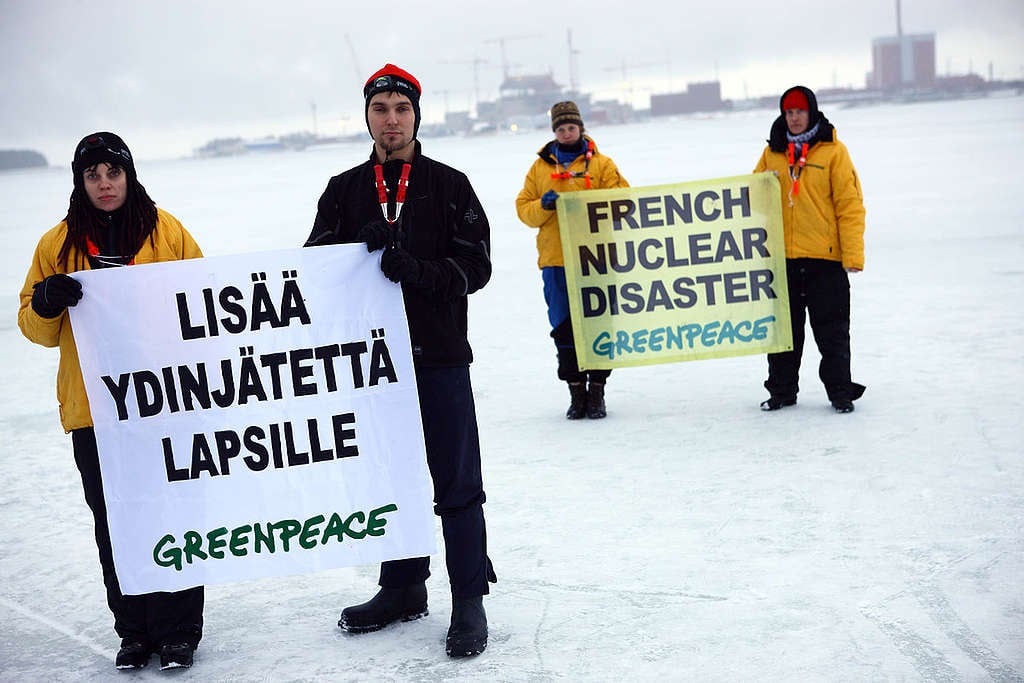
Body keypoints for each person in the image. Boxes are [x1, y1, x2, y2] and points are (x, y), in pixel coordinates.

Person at [305, 64, 496, 658]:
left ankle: (469, 599)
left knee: (457, 482)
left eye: (401, 110)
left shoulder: (450, 185)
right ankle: (403, 586)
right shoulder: (343, 189)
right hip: (372, 364)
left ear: (417, 116)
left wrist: (420, 271)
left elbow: (478, 268)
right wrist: (347, 250)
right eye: (381, 109)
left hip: (439, 356)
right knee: (390, 478)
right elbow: (313, 268)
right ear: (366, 116)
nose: (391, 120)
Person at [17, 133, 206, 670]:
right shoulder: (55, 245)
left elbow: (206, 300)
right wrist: (48, 302)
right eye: (93, 174)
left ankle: (178, 631)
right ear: (80, 182)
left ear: (130, 176)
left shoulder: (166, 231)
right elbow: (34, 327)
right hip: (94, 412)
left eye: (113, 173)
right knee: (114, 523)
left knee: (171, 517)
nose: (104, 184)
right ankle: (134, 631)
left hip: (165, 405)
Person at [754, 85, 867, 413]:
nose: (794, 118)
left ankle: (840, 392)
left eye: (800, 111)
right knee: (783, 336)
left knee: (832, 333)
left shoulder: (834, 152)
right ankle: (782, 391)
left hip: (825, 260)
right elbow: (752, 197)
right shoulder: (771, 154)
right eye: (788, 112)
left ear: (812, 112)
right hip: (783, 260)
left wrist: (853, 255)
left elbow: (850, 205)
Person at [515, 101, 629, 420]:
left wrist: (592, 202)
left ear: (581, 129)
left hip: (596, 259)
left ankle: (597, 392)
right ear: (554, 131)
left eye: (571, 128)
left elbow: (625, 201)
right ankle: (576, 391)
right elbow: (524, 209)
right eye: (561, 129)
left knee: (599, 325)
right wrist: (543, 205)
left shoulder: (602, 165)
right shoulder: (539, 168)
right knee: (563, 327)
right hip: (556, 261)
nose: (566, 133)